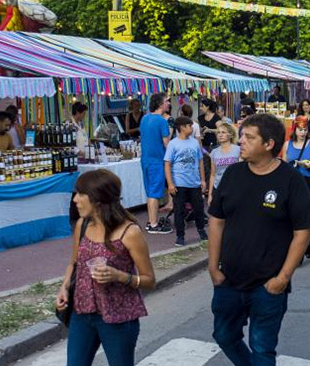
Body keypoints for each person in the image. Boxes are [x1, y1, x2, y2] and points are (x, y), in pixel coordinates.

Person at [207, 113, 310, 366]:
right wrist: (213, 267)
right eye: (242, 135)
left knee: (262, 349)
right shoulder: (233, 174)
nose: (241, 141)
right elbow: (216, 220)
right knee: (223, 335)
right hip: (228, 281)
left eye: (249, 137)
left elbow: (303, 232)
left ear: (268, 144)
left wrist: (283, 278)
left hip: (268, 285)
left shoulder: (290, 180)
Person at [56, 169, 155, 366]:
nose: (75, 199)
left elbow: (149, 280)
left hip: (119, 317)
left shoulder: (129, 232)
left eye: (80, 194)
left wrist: (119, 276)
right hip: (82, 313)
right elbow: (73, 263)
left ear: (97, 199)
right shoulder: (82, 224)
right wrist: (64, 287)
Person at [282, 117, 310, 259]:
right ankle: (296, 248)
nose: (302, 132)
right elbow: (283, 166)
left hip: (306, 182)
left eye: (305, 129)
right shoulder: (287, 145)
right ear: (294, 129)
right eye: (300, 129)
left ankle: (308, 241)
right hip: (290, 183)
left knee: (305, 215)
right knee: (290, 216)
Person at [164, 117, 208, 247]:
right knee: (179, 210)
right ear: (182, 127)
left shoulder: (194, 142)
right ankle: (180, 236)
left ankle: (201, 230)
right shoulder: (173, 144)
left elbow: (200, 161)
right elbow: (167, 164)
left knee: (199, 208)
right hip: (179, 183)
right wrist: (170, 183)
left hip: (194, 182)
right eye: (190, 125)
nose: (192, 127)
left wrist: (203, 180)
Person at [139, 93, 172, 234]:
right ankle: (153, 224)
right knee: (154, 192)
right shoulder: (162, 121)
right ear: (160, 104)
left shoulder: (145, 118)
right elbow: (166, 143)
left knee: (150, 191)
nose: (169, 103)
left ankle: (151, 221)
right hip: (157, 161)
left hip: (145, 159)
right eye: (167, 101)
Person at [208, 123, 241, 202]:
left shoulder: (239, 150)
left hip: (234, 188)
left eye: (223, 132)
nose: (220, 135)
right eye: (218, 132)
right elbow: (213, 174)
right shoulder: (214, 152)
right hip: (218, 188)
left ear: (230, 134)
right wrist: (210, 194)